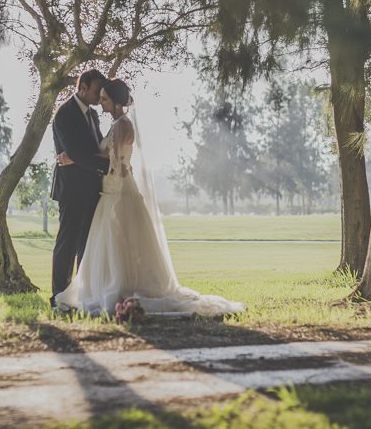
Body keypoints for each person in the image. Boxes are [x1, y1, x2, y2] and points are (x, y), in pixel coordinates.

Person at [55, 78, 244, 316]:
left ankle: (120, 286)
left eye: (104, 99)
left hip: (117, 190)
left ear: (115, 102)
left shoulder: (121, 125)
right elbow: (106, 154)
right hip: (111, 189)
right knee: (111, 242)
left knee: (118, 240)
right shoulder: (117, 123)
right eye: (99, 98)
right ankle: (113, 284)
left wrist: (72, 158)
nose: (100, 103)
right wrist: (79, 157)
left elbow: (113, 161)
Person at [49, 69, 109, 308]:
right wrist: (108, 165)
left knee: (86, 244)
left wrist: (92, 158)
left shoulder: (92, 115)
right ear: (82, 87)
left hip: (92, 188)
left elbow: (95, 147)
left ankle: (81, 294)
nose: (99, 96)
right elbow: (76, 151)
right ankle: (59, 296)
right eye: (96, 91)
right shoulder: (64, 114)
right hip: (72, 189)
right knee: (68, 243)